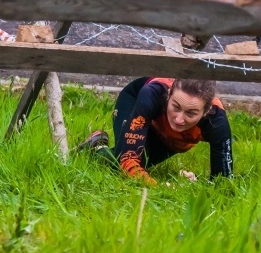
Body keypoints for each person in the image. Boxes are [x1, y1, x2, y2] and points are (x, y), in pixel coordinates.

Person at [79, 77, 233, 185]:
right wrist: (159, 187)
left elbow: (223, 182)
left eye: (191, 113)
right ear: (169, 95)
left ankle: (95, 146)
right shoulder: (151, 95)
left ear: (206, 111)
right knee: (125, 162)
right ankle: (96, 147)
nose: (179, 119)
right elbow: (129, 160)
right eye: (176, 107)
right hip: (136, 102)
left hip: (169, 131)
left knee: (141, 163)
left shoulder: (217, 122)